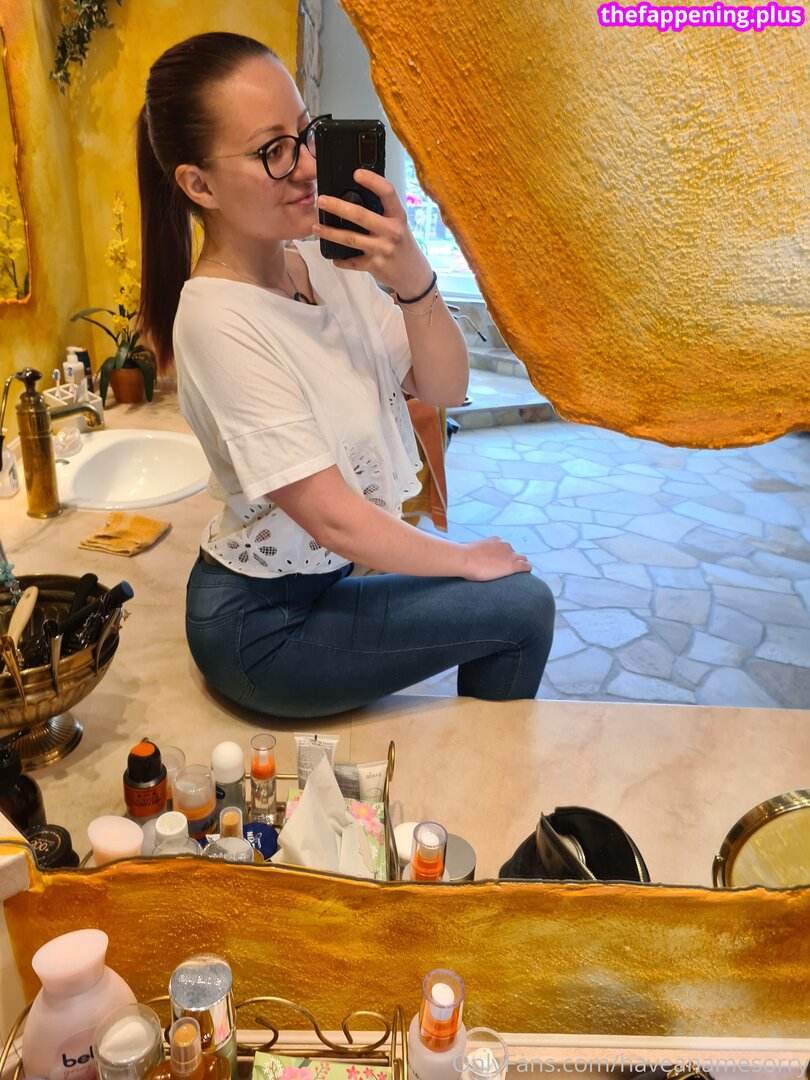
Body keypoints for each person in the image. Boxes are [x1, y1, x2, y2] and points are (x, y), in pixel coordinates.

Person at [136, 31, 555, 718]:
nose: (306, 166)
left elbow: (445, 388)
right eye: (273, 151)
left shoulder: (326, 265)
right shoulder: (215, 318)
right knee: (521, 606)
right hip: (261, 630)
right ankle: (487, 769)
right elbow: (332, 517)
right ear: (198, 184)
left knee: (512, 599)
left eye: (306, 133)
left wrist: (412, 275)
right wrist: (462, 558)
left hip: (323, 585)